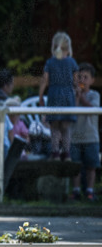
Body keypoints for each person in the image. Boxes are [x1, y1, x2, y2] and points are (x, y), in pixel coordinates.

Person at [38, 31, 78, 160]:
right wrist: (78, 91)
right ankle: (66, 153)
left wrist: (40, 96)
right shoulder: (72, 62)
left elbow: (45, 80)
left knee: (54, 126)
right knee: (66, 127)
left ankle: (55, 152)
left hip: (54, 94)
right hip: (67, 95)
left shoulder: (50, 62)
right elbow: (76, 82)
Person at [70, 62, 99, 201]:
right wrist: (76, 96)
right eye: (79, 77)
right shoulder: (72, 94)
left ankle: (90, 191)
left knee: (91, 166)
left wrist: (81, 97)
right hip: (75, 136)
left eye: (86, 77)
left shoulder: (94, 95)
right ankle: (75, 191)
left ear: (92, 80)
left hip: (90, 137)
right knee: (75, 166)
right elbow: (72, 112)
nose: (82, 80)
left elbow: (92, 109)